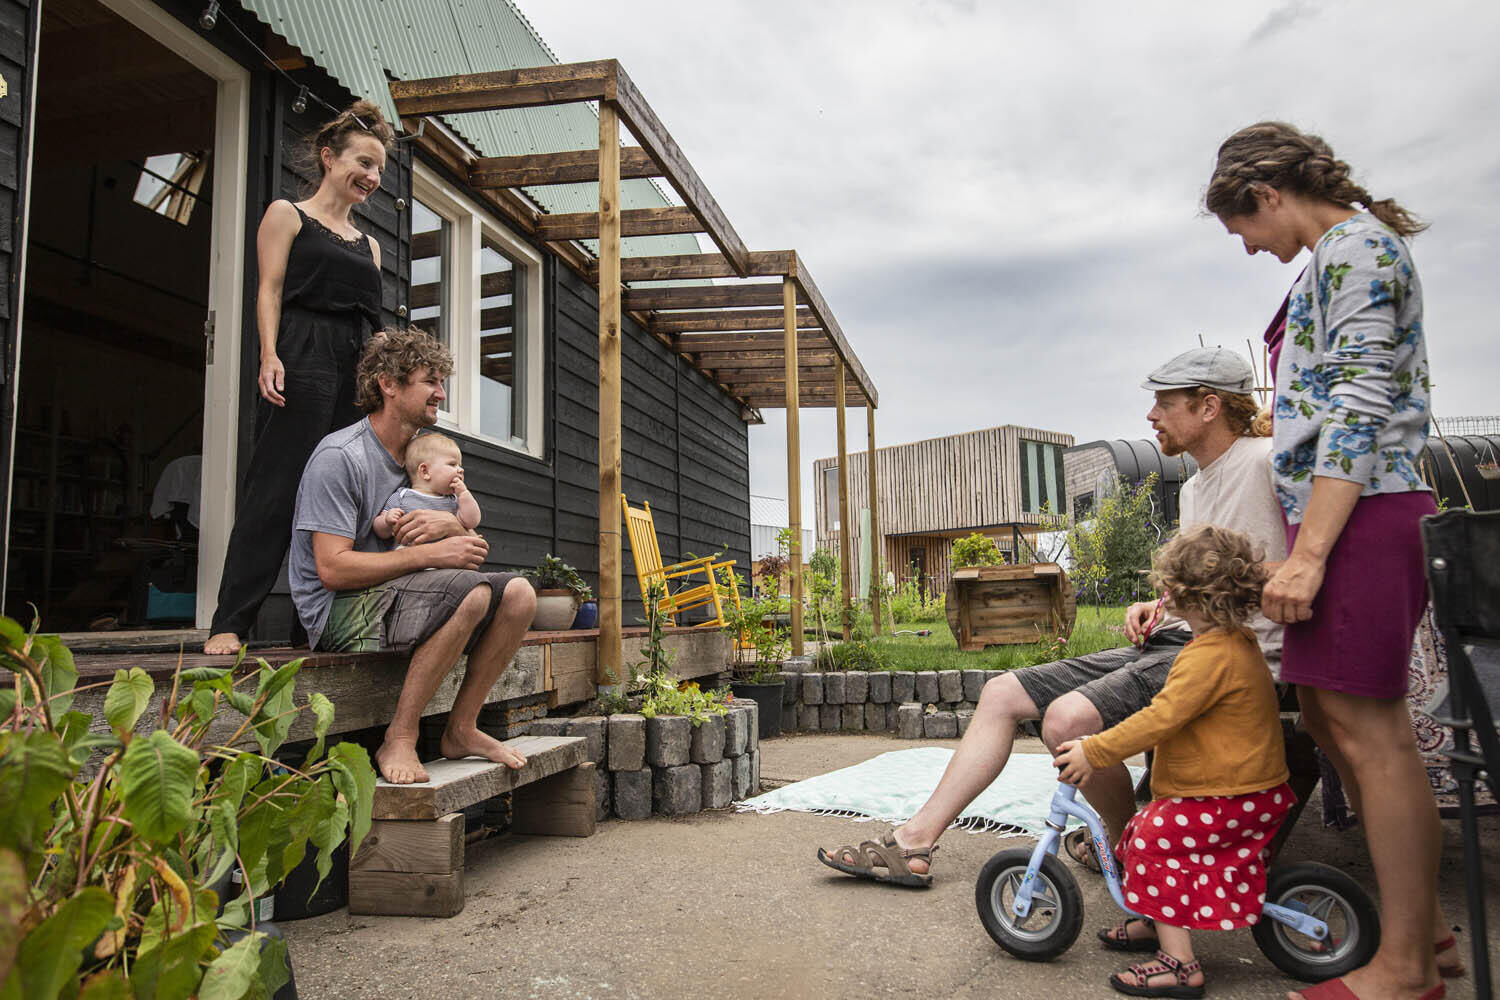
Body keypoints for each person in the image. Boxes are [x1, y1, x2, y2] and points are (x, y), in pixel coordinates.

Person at [817, 347, 1287, 887]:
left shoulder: (1267, 462)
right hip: (1172, 642)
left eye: (1164, 401)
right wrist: (1158, 604)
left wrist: (1242, 584)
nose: (1151, 415)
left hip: (1229, 657)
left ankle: (1130, 845)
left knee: (1066, 721)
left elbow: (1316, 563)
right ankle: (915, 842)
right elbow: (1202, 575)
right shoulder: (1196, 486)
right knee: (1001, 694)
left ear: (1208, 406)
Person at [1206, 121, 1454, 1000]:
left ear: (1267, 194)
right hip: (1336, 513)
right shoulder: (1338, 255)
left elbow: (1356, 402)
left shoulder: (1356, 250)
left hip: (1364, 513)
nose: (1245, 243)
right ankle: (1426, 926)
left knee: (1372, 735)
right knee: (1327, 719)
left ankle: (1407, 965)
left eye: (1242, 224)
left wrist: (1309, 555)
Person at [290, 327, 537, 785]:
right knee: (473, 594)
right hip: (339, 610)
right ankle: (400, 736)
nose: (440, 393)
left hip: (402, 591)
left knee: (520, 594)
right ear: (388, 384)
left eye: (442, 382)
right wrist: (437, 553)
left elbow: (471, 547)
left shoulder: (426, 456)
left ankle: (461, 728)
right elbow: (332, 569)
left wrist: (452, 527)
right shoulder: (341, 458)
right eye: (431, 381)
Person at [1053, 525, 1291, 998]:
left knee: (1153, 845)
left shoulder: (1209, 657)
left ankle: (1179, 964)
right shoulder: (1232, 641)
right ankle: (1154, 920)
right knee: (1140, 831)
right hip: (1244, 790)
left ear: (1196, 598)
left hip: (1231, 796)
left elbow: (1160, 719)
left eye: (1172, 587)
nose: (1163, 593)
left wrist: (1093, 750)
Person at [204, 101, 395, 656]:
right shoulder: (287, 214)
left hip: (356, 364)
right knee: (278, 485)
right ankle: (230, 621)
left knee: (345, 495)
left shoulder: (372, 246)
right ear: (329, 156)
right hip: (301, 350)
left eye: (379, 169)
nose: (372, 177)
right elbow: (268, 289)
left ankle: (312, 624)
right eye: (363, 162)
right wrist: (268, 353)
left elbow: (371, 323)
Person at [374, 432, 482, 546]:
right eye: (452, 464)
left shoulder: (454, 500)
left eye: (460, 465)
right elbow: (380, 532)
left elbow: (472, 522)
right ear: (425, 471)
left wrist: (464, 494)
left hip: (447, 560)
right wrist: (386, 521)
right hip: (408, 559)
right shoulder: (402, 496)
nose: (461, 470)